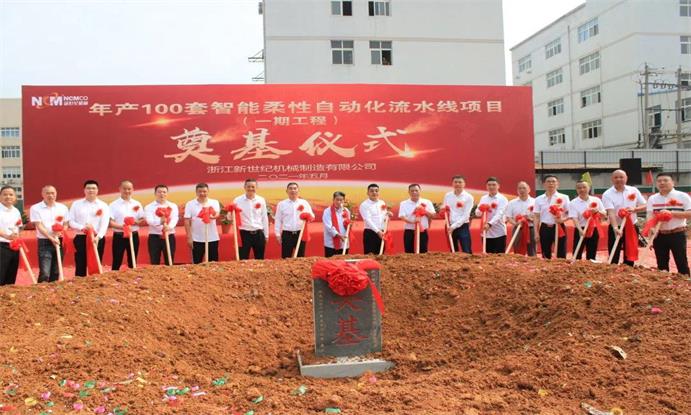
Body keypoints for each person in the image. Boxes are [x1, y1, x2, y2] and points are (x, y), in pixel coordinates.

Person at [645, 173, 691, 275]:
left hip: (677, 234)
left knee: (681, 263)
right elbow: (650, 216)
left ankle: (685, 283)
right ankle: (664, 284)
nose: (662, 183)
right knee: (661, 265)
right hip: (659, 235)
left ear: (673, 183)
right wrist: (651, 229)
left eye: (665, 180)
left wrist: (671, 213)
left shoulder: (683, 196)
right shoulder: (652, 198)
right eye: (659, 181)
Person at [602, 169, 646, 266]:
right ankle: (613, 271)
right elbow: (611, 213)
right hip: (616, 226)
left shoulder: (633, 190)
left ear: (626, 178)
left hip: (632, 226)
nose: (619, 179)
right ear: (612, 179)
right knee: (614, 253)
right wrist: (615, 228)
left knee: (629, 252)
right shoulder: (607, 194)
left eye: (621, 177)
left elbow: (645, 205)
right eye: (616, 177)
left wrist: (634, 209)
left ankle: (628, 269)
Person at [68, 180, 110, 276]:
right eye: (88, 188)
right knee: (80, 263)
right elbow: (71, 221)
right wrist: (82, 228)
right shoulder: (76, 204)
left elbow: (104, 224)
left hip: (96, 238)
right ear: (84, 190)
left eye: (93, 188)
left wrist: (98, 237)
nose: (91, 190)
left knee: (96, 263)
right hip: (81, 237)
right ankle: (80, 283)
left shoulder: (103, 205)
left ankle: (96, 283)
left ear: (97, 190)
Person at [29, 185, 69, 282]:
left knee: (56, 271)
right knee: (45, 272)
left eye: (52, 193)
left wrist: (62, 231)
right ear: (42, 194)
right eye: (47, 193)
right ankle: (41, 289)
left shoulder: (62, 207)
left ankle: (53, 290)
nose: (50, 195)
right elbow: (39, 225)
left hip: (59, 241)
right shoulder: (35, 208)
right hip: (44, 241)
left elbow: (66, 223)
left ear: (56, 194)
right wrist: (51, 237)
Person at [109, 180, 145, 270]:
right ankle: (114, 276)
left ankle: (132, 277)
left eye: (129, 189)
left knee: (133, 260)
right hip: (119, 236)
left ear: (132, 190)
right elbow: (110, 222)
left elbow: (142, 219)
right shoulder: (113, 205)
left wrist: (137, 222)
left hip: (133, 235)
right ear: (120, 189)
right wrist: (123, 227)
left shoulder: (137, 203)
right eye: (124, 189)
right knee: (117, 260)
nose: (127, 191)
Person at [231, 178, 270, 260]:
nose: (250, 188)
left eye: (253, 187)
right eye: (248, 186)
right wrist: (230, 212)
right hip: (244, 234)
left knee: (260, 259)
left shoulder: (261, 200)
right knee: (243, 259)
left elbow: (264, 217)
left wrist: (266, 235)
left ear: (256, 187)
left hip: (259, 233)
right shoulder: (237, 200)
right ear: (244, 187)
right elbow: (230, 217)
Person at [534, 175, 570, 259]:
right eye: (548, 181)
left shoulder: (564, 197)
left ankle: (560, 266)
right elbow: (536, 216)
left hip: (559, 227)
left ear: (557, 184)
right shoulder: (538, 199)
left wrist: (562, 220)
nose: (551, 183)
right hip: (545, 228)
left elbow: (570, 213)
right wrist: (536, 232)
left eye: (553, 181)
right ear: (544, 184)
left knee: (561, 252)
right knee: (545, 253)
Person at [274, 182, 314, 258]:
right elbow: (278, 220)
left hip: (300, 233)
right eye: (290, 188)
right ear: (287, 191)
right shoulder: (281, 204)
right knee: (286, 257)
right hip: (287, 234)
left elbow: (312, 216)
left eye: (295, 188)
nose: (293, 190)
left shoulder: (304, 203)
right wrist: (278, 234)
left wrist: (308, 217)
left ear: (298, 190)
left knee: (300, 257)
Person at [568, 181, 605, 260]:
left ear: (589, 188)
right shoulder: (573, 203)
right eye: (579, 188)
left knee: (592, 251)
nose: (582, 189)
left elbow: (604, 214)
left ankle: (591, 265)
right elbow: (574, 218)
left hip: (594, 228)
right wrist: (580, 230)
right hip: (580, 228)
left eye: (584, 187)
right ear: (576, 189)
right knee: (577, 251)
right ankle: (577, 265)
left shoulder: (596, 200)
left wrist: (597, 211)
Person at [184, 183, 221, 264]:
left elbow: (217, 214)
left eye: (204, 191)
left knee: (213, 263)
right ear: (196, 192)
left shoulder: (214, 202)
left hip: (212, 238)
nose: (202, 193)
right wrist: (189, 237)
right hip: (196, 239)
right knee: (197, 263)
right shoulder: (190, 204)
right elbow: (186, 221)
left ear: (208, 191)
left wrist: (212, 216)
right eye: (200, 191)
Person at [144, 184, 178, 266]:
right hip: (154, 237)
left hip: (169, 236)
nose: (162, 194)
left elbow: (175, 218)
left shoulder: (172, 206)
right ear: (155, 193)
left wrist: (169, 227)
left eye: (164, 192)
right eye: (159, 192)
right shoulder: (149, 207)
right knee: (154, 261)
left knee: (169, 261)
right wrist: (160, 221)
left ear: (167, 193)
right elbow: (149, 220)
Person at [475, 177, 509, 254]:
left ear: (498, 186)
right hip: (485, 233)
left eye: (494, 185)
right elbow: (477, 213)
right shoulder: (483, 198)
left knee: (499, 256)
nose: (491, 187)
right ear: (486, 186)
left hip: (499, 233)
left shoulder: (503, 199)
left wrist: (489, 224)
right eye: (489, 185)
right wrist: (480, 209)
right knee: (488, 256)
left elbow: (499, 214)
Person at [398, 184, 436, 253]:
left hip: (422, 231)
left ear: (420, 191)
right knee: (408, 252)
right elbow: (402, 217)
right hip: (409, 230)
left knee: (423, 251)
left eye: (416, 190)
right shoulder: (403, 203)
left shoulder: (427, 202)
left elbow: (433, 216)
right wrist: (413, 221)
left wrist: (424, 211)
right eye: (412, 191)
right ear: (409, 192)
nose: (414, 192)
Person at [442, 175, 474, 253]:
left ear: (464, 184)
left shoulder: (468, 197)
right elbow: (445, 208)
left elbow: (466, 215)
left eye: (460, 182)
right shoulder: (448, 195)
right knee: (453, 249)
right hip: (449, 225)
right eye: (455, 182)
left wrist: (454, 226)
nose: (457, 184)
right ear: (452, 184)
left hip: (462, 226)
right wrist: (442, 211)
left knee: (466, 249)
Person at [504, 181, 536, 256]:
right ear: (517, 190)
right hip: (517, 229)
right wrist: (516, 223)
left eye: (524, 188)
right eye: (520, 188)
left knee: (532, 250)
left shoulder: (535, 202)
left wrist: (531, 219)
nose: (522, 190)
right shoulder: (512, 203)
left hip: (531, 229)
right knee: (517, 250)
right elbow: (508, 217)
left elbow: (538, 217)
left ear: (529, 189)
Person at [359, 183, 391, 255]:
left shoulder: (382, 202)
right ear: (367, 193)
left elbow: (384, 217)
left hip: (382, 232)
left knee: (381, 255)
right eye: (372, 191)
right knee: (370, 256)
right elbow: (367, 219)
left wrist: (388, 216)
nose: (374, 193)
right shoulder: (364, 205)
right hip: (371, 233)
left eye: (376, 191)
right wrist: (377, 231)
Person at [0, 186, 21, 285]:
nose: (8, 197)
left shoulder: (16, 211)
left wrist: (16, 237)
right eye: (5, 194)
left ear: (15, 197)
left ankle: (7, 294)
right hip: (1, 246)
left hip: (14, 247)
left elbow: (18, 227)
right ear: (0, 197)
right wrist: (6, 236)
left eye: (11, 194)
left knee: (11, 276)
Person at [322, 191, 351, 257]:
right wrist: (339, 235)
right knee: (331, 262)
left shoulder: (346, 211)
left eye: (341, 200)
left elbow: (348, 225)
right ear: (333, 200)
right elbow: (328, 227)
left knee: (343, 261)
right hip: (331, 244)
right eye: (337, 200)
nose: (339, 202)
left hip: (344, 243)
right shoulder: (327, 211)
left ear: (344, 201)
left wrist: (349, 226)